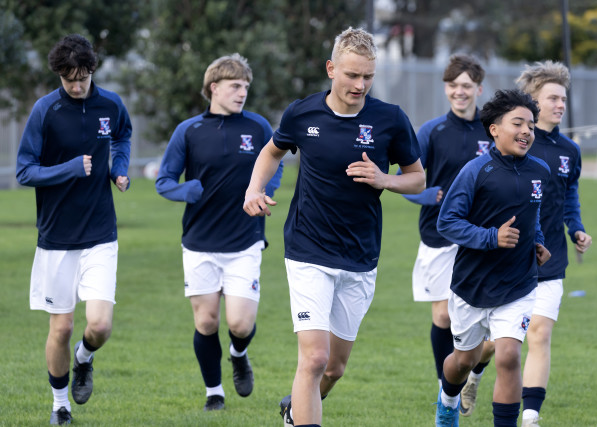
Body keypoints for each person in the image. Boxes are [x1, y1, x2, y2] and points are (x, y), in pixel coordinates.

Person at [243, 27, 425, 427]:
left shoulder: (390, 119)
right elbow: (271, 152)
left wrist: (384, 179)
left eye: (368, 76)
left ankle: (295, 409)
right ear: (331, 69)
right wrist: (254, 189)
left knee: (334, 368)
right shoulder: (302, 113)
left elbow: (417, 179)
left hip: (360, 255)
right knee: (314, 357)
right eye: (352, 75)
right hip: (308, 249)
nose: (360, 85)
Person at [460, 62, 593, 427]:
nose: (560, 104)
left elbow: (569, 196)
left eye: (563, 98)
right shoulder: (512, 148)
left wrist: (576, 228)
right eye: (553, 98)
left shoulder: (570, 151)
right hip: (508, 259)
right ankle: (474, 374)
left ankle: (530, 416)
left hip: (550, 258)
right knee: (498, 346)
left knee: (539, 332)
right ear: (534, 101)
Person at [155, 53, 283, 412]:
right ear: (214, 87)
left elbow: (276, 163)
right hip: (200, 242)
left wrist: (264, 189)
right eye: (235, 86)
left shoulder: (258, 127)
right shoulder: (189, 130)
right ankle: (214, 392)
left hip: (245, 239)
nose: (242, 93)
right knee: (207, 321)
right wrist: (187, 190)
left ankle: (239, 353)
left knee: (240, 323)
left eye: (245, 87)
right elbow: (164, 181)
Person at [16, 34, 132, 425]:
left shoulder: (110, 104)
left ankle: (84, 358)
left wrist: (118, 168)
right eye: (69, 80)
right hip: (56, 237)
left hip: (100, 232)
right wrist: (69, 168)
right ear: (59, 76)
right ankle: (60, 405)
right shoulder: (44, 110)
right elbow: (24, 171)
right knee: (62, 327)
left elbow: (123, 135)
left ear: (91, 71)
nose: (76, 86)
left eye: (82, 78)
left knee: (99, 325)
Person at [435, 89, 551, 427]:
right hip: (471, 286)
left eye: (531, 125)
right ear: (494, 129)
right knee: (463, 361)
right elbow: (447, 221)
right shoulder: (475, 170)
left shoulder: (540, 171)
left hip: (518, 283)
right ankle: (448, 401)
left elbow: (532, 216)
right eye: (518, 123)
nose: (526, 131)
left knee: (509, 355)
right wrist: (490, 237)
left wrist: (538, 241)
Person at [400, 54, 490, 396]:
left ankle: (474, 373)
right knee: (443, 317)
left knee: (486, 325)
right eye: (452, 85)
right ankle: (446, 390)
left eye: (466, 85)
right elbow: (404, 179)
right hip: (437, 235)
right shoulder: (432, 131)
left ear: (479, 88)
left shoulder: (492, 130)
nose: (459, 92)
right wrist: (429, 195)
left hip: (482, 236)